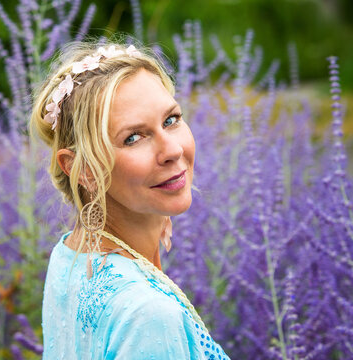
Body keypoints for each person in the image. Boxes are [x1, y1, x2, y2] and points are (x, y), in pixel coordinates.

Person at [30, 41, 230, 360]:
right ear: (83, 170)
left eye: (171, 120)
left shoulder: (72, 256)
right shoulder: (151, 316)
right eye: (133, 138)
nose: (173, 150)